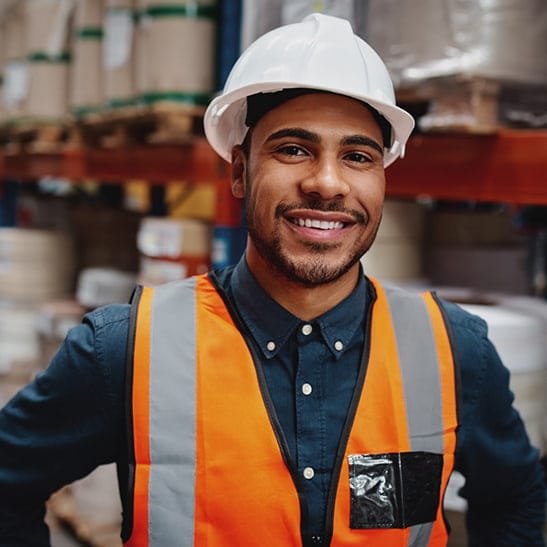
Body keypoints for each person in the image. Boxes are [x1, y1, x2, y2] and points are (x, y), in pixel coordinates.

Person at [0, 12, 545, 547]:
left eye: (357, 156)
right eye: (294, 149)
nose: (327, 183)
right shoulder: (124, 350)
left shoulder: (452, 351)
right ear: (240, 171)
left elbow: (516, 499)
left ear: (382, 178)